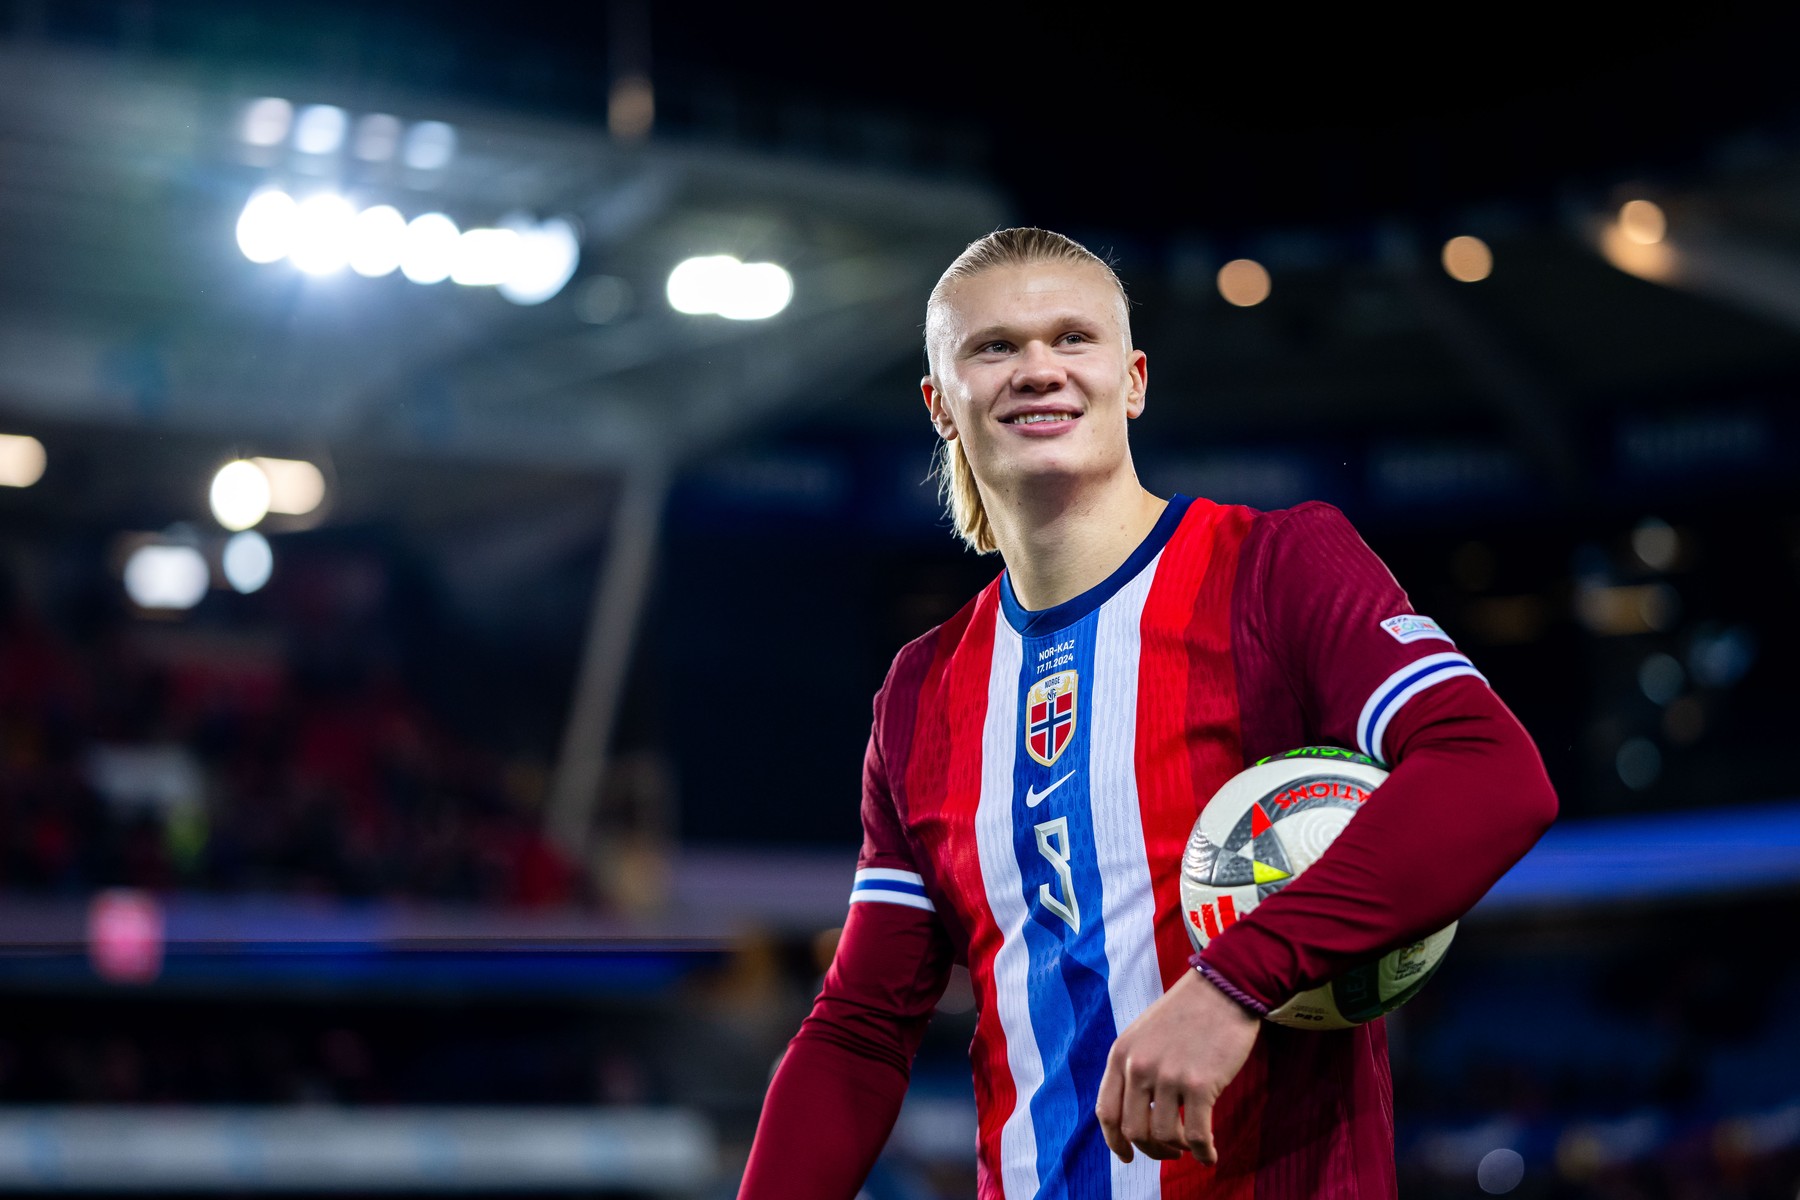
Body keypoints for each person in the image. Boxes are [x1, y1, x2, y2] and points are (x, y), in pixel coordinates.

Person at [739, 228, 1557, 1199]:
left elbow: (1493, 774)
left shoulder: (1276, 568)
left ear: (1132, 380)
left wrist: (1234, 985)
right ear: (940, 404)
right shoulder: (920, 692)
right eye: (993, 347)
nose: (1038, 369)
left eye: (1071, 338)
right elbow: (861, 1027)